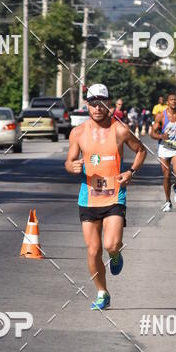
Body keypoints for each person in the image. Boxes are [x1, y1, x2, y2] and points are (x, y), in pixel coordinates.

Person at [66, 83, 147, 310]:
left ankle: (116, 254)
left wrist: (131, 171)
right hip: (88, 198)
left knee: (111, 244)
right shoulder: (78, 133)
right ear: (87, 106)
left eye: (101, 103)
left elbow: (141, 150)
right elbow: (70, 160)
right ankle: (102, 292)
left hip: (114, 196)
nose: (97, 108)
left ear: (108, 104)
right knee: (93, 251)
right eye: (93, 104)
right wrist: (71, 167)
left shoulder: (120, 130)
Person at [150, 92, 176, 212]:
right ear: (167, 102)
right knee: (167, 176)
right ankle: (168, 201)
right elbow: (152, 133)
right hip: (164, 148)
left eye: (175, 100)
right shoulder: (160, 116)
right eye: (171, 100)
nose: (173, 101)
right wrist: (161, 136)